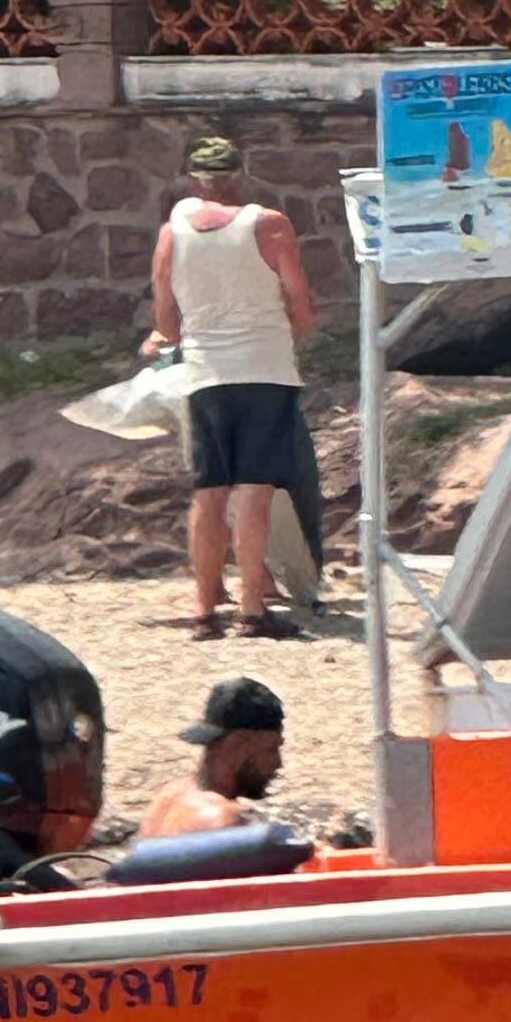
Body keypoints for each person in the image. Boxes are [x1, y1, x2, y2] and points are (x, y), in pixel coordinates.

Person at [145, 135, 317, 645]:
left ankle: (204, 611)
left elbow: (166, 321)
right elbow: (301, 306)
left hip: (203, 374)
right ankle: (251, 610)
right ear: (241, 175)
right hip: (264, 369)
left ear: (194, 181)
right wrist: (295, 323)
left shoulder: (170, 235)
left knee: (208, 492)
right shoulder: (269, 225)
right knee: (254, 493)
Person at [136, 675, 290, 847]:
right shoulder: (223, 821)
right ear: (239, 744)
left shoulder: (168, 796)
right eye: (271, 749)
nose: (278, 763)